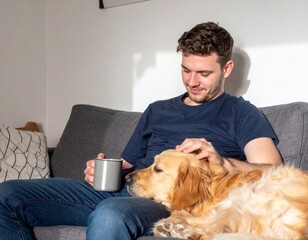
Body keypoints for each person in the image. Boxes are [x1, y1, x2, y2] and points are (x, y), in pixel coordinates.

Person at [0, 22, 282, 240]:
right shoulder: (157, 110)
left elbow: (274, 171)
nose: (192, 82)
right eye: (185, 70)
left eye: (203, 74)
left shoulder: (240, 112)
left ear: (227, 68)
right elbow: (128, 164)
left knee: (111, 214)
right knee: (7, 194)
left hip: (172, 201)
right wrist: (100, 169)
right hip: (123, 189)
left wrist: (223, 161)